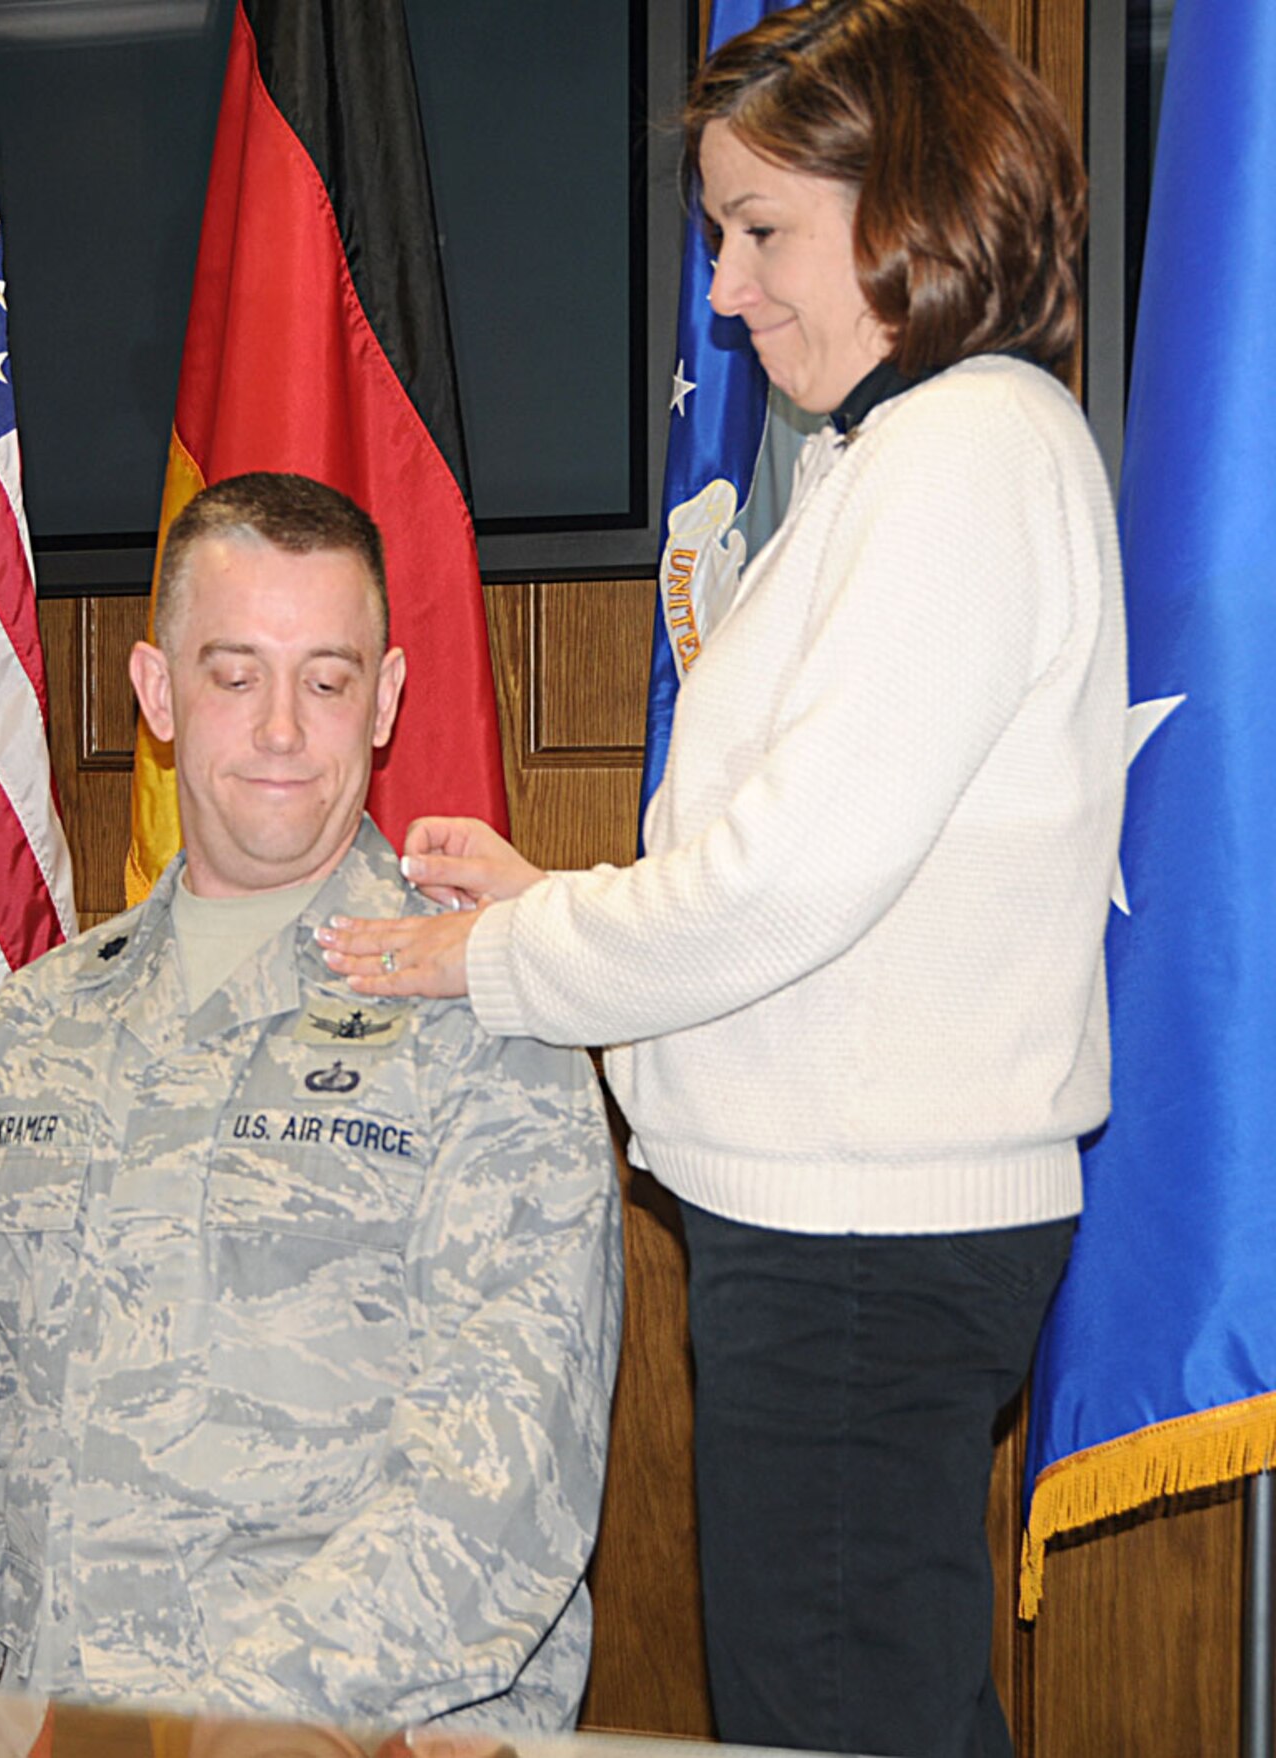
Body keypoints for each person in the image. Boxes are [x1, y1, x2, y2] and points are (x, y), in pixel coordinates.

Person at [319, 4, 1125, 1754]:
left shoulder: (961, 457)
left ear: (906, 195)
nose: (732, 292)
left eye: (762, 231)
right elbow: (810, 863)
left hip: (865, 1240)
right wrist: (556, 898)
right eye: (720, 238)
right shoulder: (905, 457)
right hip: (843, 1224)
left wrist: (504, 955)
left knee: (842, 1714)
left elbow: (781, 888)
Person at [0, 472, 620, 1732]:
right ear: (157, 691)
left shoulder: (483, 1012)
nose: (279, 729)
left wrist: (215, 1730)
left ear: (383, 701)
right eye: (234, 675)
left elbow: (501, 1485)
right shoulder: (37, 1027)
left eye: (325, 681)